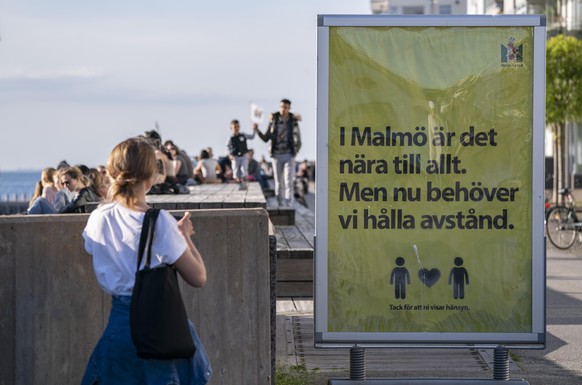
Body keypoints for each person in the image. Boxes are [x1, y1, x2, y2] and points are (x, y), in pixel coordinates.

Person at [80, 137, 212, 385]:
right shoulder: (160, 222)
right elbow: (198, 278)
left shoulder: (99, 218)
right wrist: (185, 237)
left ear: (111, 173)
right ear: (150, 178)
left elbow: (92, 247)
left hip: (118, 328)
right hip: (158, 329)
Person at [255, 98, 301, 206]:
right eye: (281, 107)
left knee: (288, 180)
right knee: (278, 181)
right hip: (276, 154)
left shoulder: (293, 121)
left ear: (289, 108)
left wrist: (296, 151)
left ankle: (289, 205)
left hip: (289, 154)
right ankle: (280, 204)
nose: (283, 109)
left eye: (285, 107)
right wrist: (257, 130)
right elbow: (266, 138)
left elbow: (298, 139)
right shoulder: (273, 120)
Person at [227, 119, 256, 188]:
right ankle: (238, 184)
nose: (236, 128)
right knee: (236, 171)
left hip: (244, 155)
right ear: (231, 128)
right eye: (235, 127)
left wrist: (254, 129)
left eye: (238, 126)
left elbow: (252, 137)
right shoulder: (230, 138)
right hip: (235, 156)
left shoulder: (243, 135)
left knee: (244, 169)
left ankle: (244, 184)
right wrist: (230, 155)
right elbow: (228, 147)